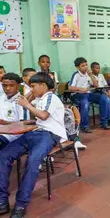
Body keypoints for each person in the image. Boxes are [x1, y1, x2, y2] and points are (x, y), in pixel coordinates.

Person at [0, 72, 68, 218]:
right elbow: (26, 101)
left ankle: (20, 205)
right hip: (35, 132)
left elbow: (43, 115)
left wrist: (27, 105)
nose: (31, 90)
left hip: (49, 135)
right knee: (3, 155)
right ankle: (2, 201)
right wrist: (30, 96)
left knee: (32, 162)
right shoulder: (40, 97)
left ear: (44, 85)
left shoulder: (51, 96)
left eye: (33, 86)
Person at [69, 57, 110, 132]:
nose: (85, 67)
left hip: (88, 94)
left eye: (86, 65)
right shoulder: (76, 75)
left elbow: (96, 85)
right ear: (77, 67)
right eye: (82, 66)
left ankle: (104, 122)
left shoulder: (89, 74)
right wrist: (81, 89)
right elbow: (70, 87)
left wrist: (91, 75)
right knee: (85, 103)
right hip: (78, 95)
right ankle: (84, 126)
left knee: (104, 99)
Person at [0, 73, 24, 150]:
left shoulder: (21, 101)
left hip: (12, 135)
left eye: (11, 85)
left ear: (18, 86)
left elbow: (24, 125)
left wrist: (6, 123)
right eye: (4, 85)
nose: (7, 88)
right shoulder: (1, 98)